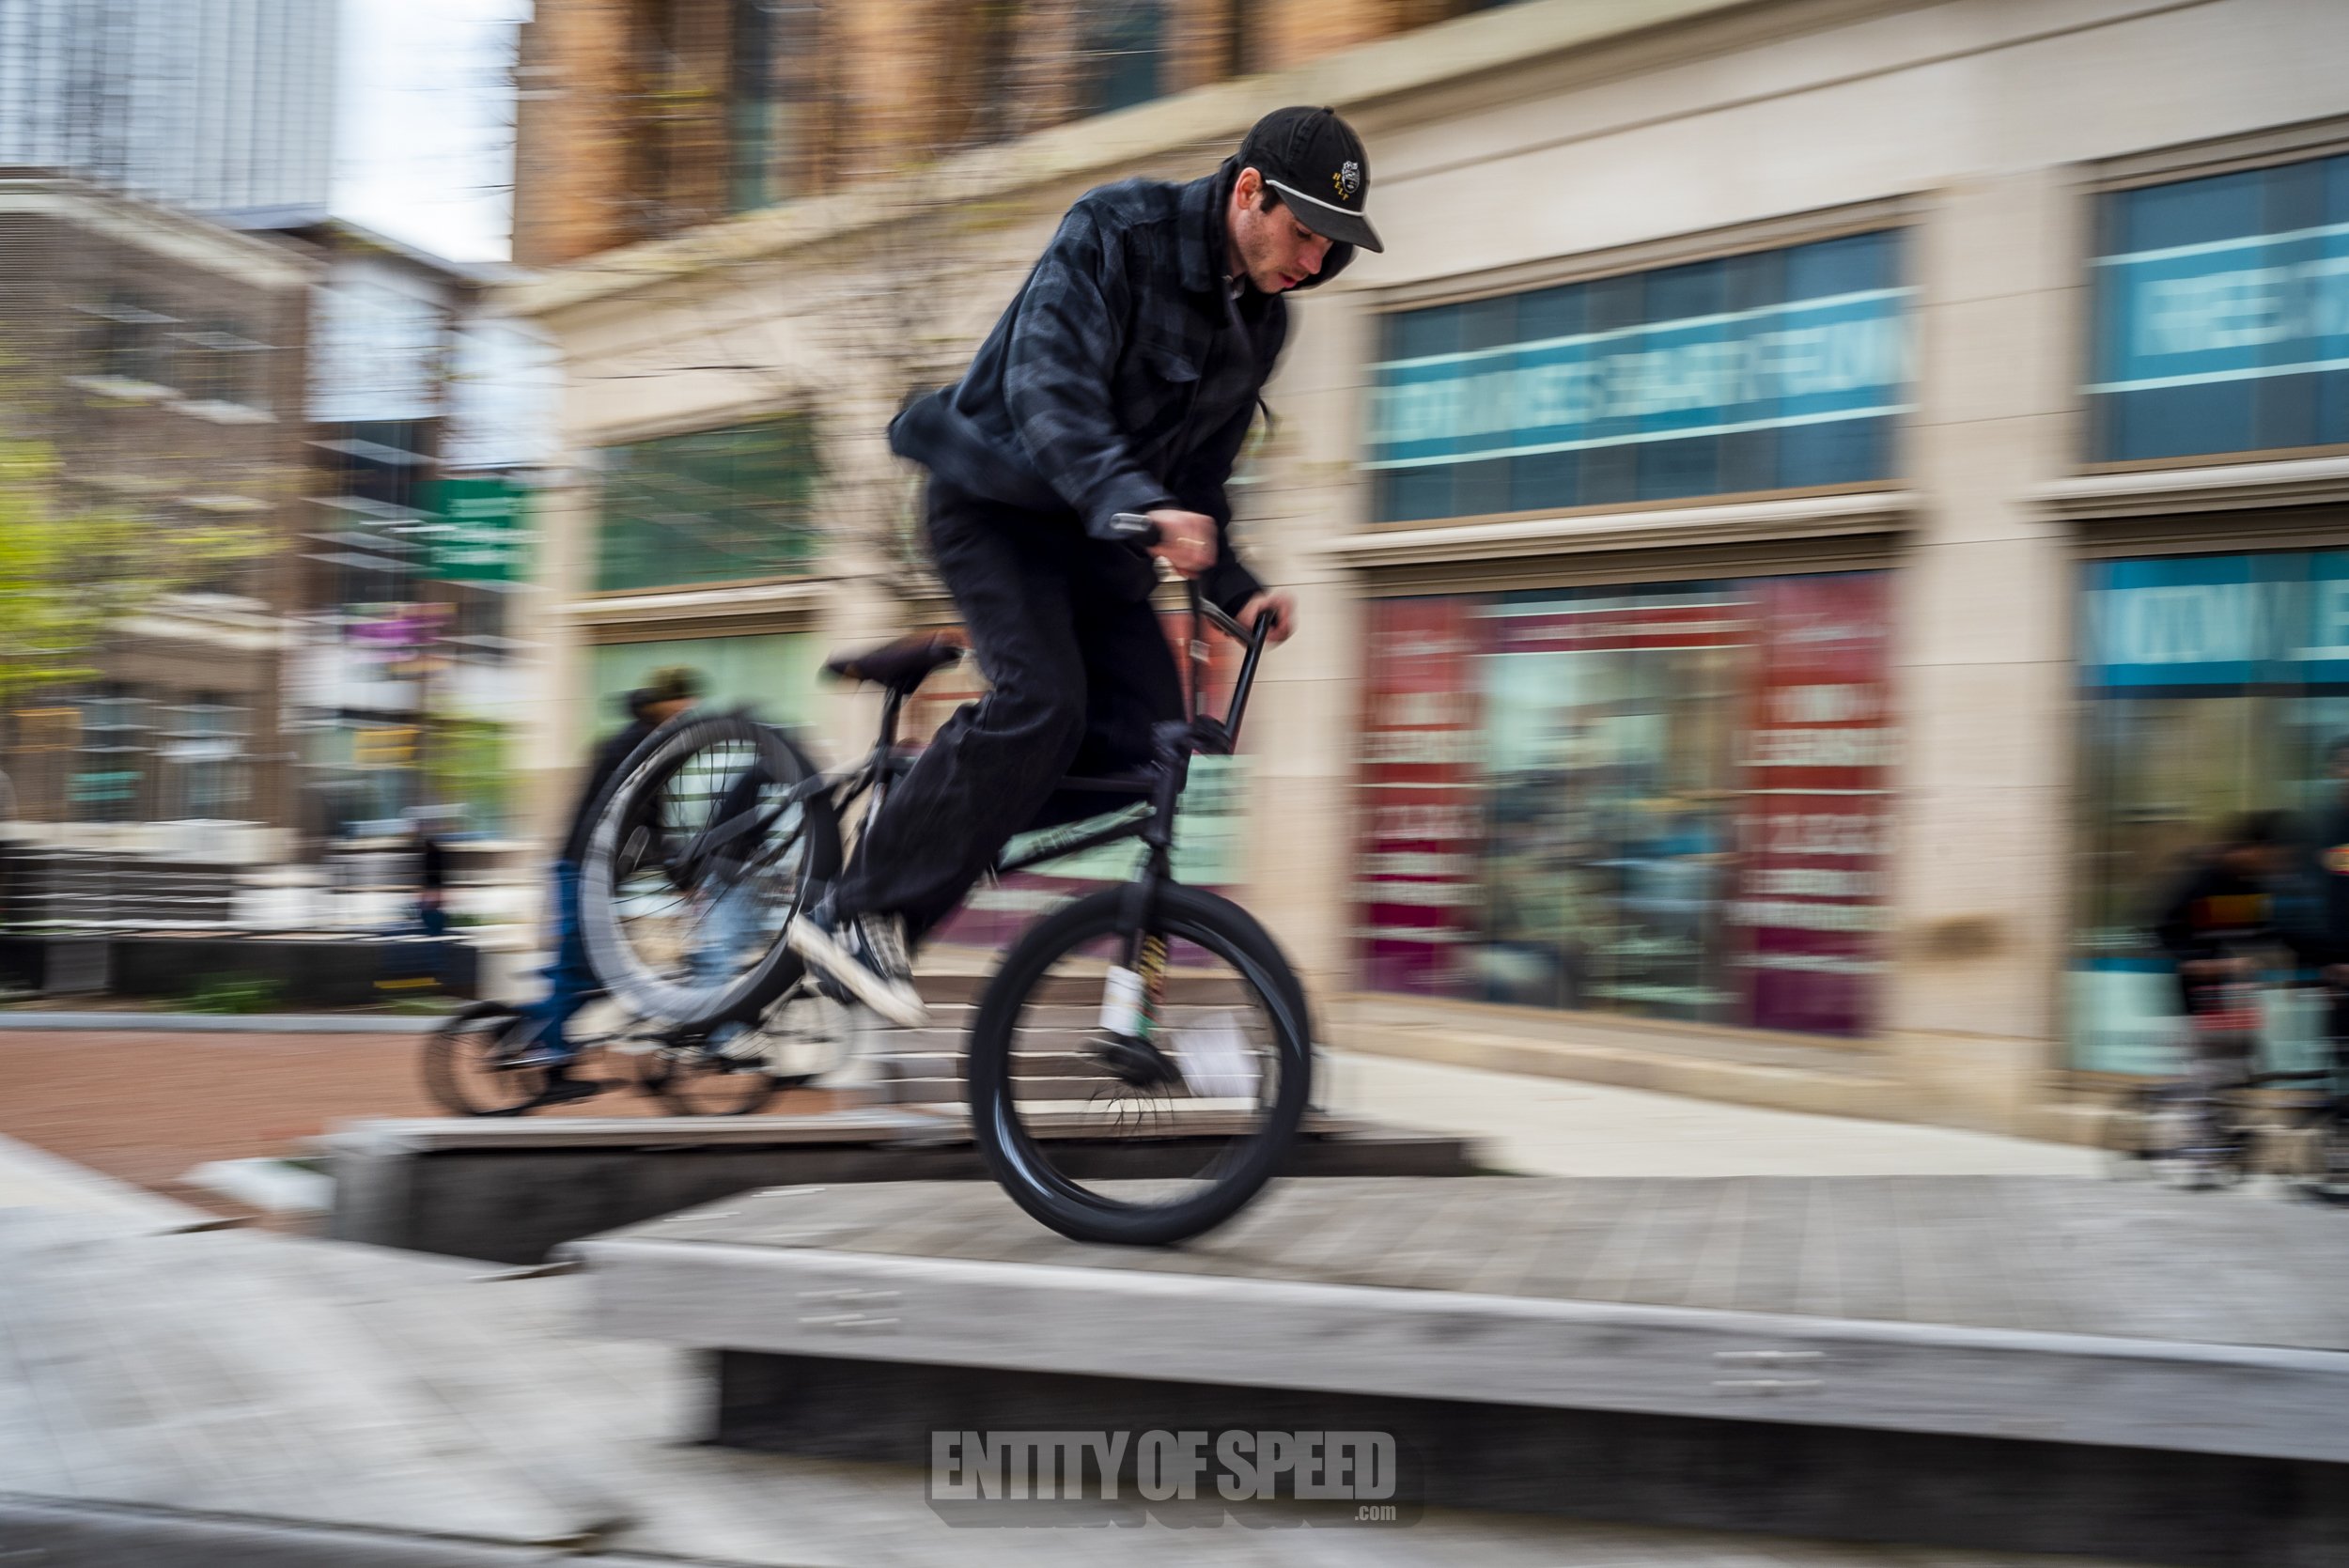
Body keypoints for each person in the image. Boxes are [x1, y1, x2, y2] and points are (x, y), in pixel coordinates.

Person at [787, 105, 1381, 1026]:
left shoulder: (1261, 324)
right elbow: (1050, 392)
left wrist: (1240, 589)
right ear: (1249, 193)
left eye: (1330, 244)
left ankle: (951, 803)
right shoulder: (1117, 229)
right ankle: (852, 909)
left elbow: (1203, 480)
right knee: (1043, 702)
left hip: (1101, 543)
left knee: (1148, 746)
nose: (1315, 259)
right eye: (1305, 232)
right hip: (996, 506)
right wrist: (1133, 500)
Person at [517, 666, 704, 1100]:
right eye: (683, 699)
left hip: (592, 871)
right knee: (578, 969)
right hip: (585, 869)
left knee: (590, 971)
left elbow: (649, 821)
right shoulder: (634, 747)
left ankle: (530, 1028)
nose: (690, 707)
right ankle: (550, 1059)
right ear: (665, 702)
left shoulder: (641, 742)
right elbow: (648, 821)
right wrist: (682, 876)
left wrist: (680, 875)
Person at [2150, 810, 2290, 1178]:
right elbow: (2164, 929)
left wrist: (2285, 959)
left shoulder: (2250, 885)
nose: (2272, 862)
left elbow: (2260, 934)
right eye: (2269, 853)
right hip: (2195, 997)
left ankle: (2217, 1138)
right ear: (2249, 848)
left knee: (2236, 1070)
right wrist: (2200, 963)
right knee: (2205, 1078)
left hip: (2232, 997)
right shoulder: (2201, 880)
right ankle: (2198, 1152)